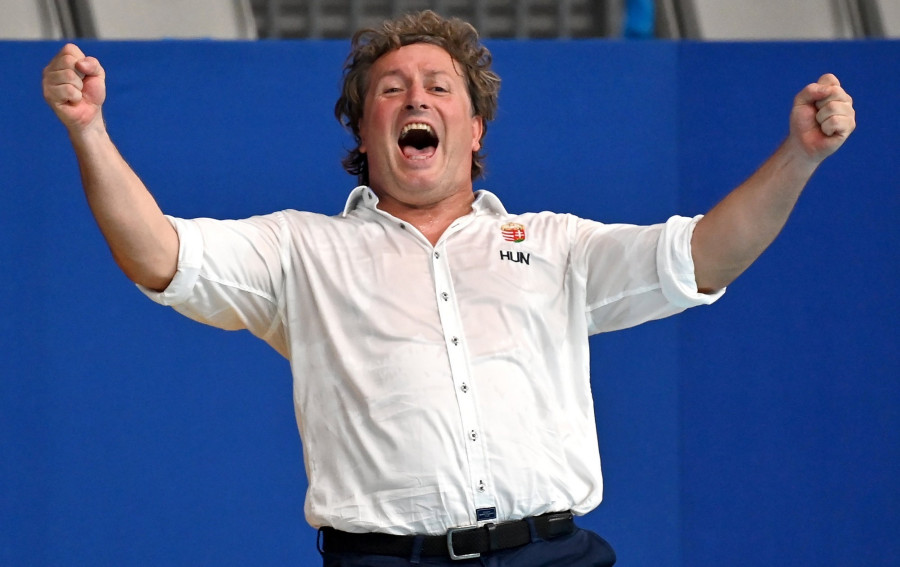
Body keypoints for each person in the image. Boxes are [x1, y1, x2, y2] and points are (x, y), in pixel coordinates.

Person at [41, 10, 855, 567]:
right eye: (390, 88)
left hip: (553, 554)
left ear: (475, 127)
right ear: (364, 131)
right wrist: (89, 131)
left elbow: (703, 256)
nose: (416, 97)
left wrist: (800, 156)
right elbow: (160, 254)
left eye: (438, 85)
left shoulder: (555, 244)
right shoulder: (300, 249)